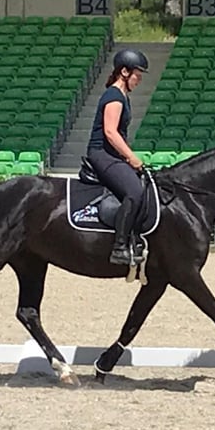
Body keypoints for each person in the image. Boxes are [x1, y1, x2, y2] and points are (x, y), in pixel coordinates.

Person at [85, 48, 149, 266]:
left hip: (112, 155)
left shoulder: (124, 97)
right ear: (124, 72)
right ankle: (119, 246)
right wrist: (131, 158)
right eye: (137, 75)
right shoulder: (114, 96)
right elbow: (110, 132)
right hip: (102, 154)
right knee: (134, 191)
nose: (139, 80)